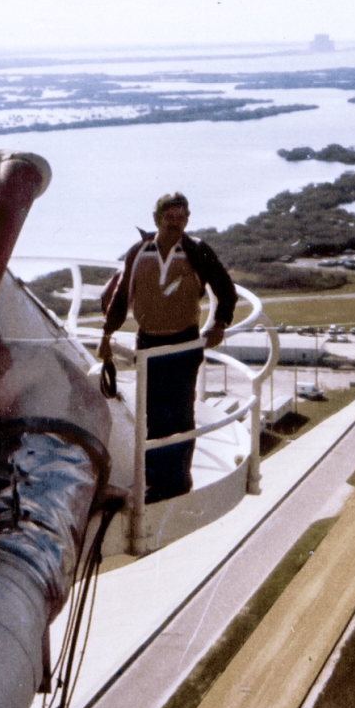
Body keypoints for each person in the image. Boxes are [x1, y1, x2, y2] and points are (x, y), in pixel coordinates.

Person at [98, 192, 237, 502]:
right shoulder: (138, 253)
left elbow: (225, 289)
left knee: (180, 414)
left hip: (183, 344)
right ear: (157, 219)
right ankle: (155, 478)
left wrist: (219, 323)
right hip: (148, 344)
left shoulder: (196, 251)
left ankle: (177, 481)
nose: (176, 223)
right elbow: (122, 297)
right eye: (169, 217)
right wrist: (107, 335)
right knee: (153, 415)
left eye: (181, 218)